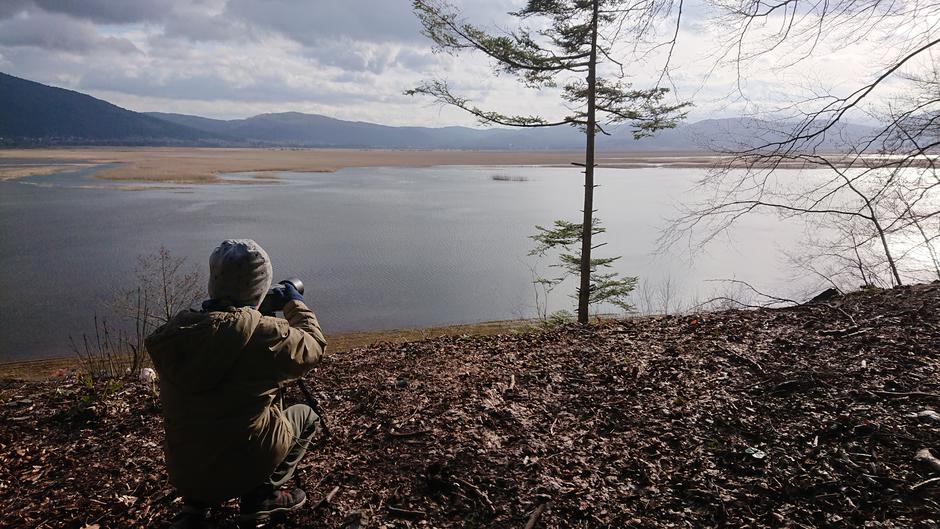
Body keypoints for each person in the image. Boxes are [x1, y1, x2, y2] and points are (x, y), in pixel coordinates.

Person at [145, 239, 328, 527]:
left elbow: (222, 343)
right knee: (306, 416)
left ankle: (195, 507)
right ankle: (261, 497)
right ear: (258, 288)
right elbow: (314, 347)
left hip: (185, 472)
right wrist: (295, 302)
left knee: (203, 419)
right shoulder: (264, 337)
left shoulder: (177, 334)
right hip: (245, 466)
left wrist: (251, 312)